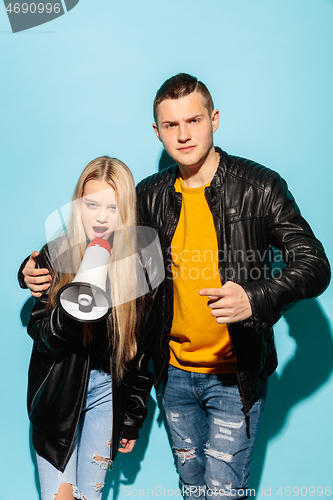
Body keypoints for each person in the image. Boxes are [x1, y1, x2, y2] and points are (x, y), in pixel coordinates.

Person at [20, 74, 331, 499]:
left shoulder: (260, 188)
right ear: (157, 131)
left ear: (214, 119)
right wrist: (34, 268)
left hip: (233, 379)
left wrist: (255, 297)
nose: (184, 134)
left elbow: (314, 265)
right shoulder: (149, 196)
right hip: (175, 379)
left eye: (194, 120)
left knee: (223, 493)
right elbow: (93, 239)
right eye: (171, 125)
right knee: (193, 490)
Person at [20, 156, 154, 500]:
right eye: (91, 204)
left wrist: (132, 416)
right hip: (58, 397)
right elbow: (43, 337)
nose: (101, 216)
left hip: (108, 394)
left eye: (112, 207)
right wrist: (72, 308)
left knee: (89, 497)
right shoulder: (56, 255)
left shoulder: (139, 266)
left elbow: (141, 350)